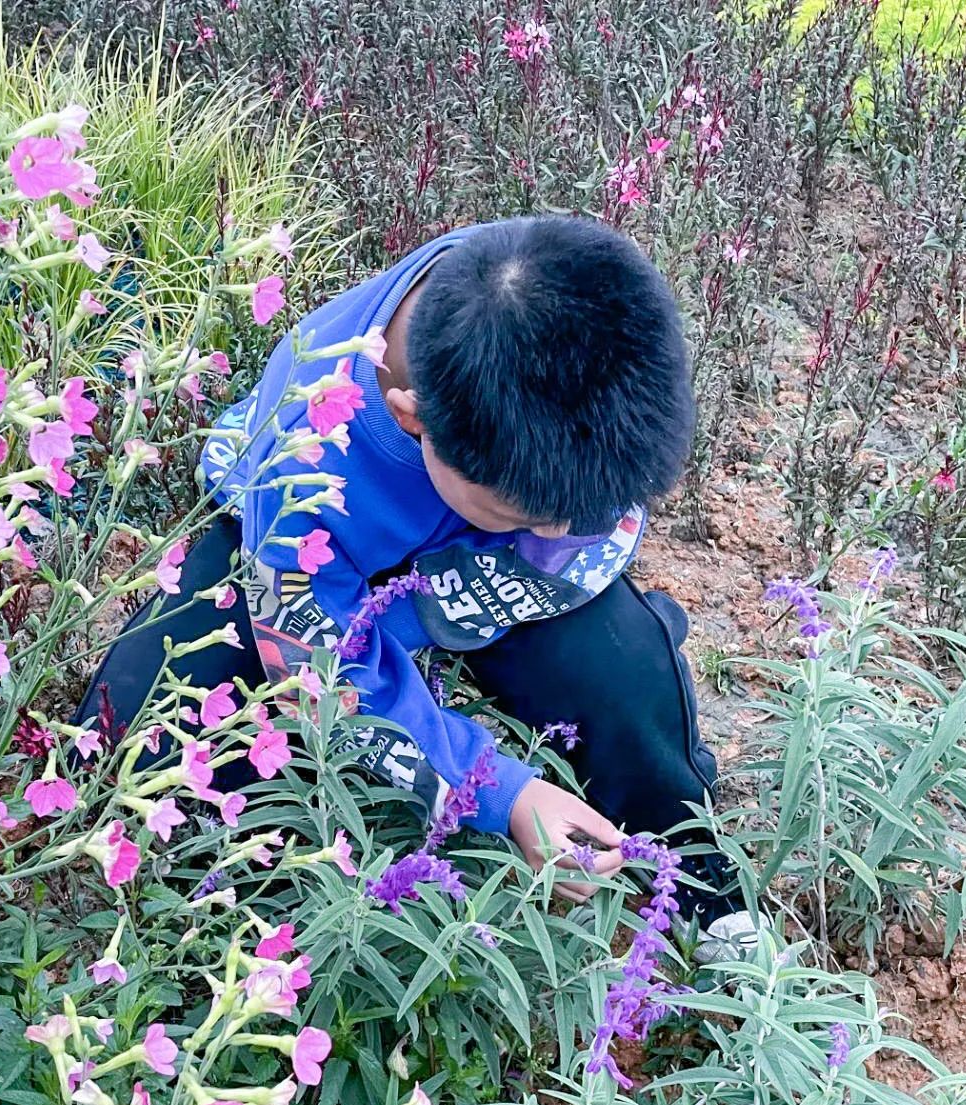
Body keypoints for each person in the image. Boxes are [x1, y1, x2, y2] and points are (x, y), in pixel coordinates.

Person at [75, 215, 746, 927]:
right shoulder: (306, 442)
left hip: (477, 565)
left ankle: (703, 884)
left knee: (625, 671)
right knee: (140, 741)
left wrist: (528, 550)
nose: (562, 533)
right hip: (310, 559)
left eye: (580, 515)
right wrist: (504, 792)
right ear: (412, 416)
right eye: (523, 511)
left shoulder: (576, 299)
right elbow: (318, 661)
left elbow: (564, 515)